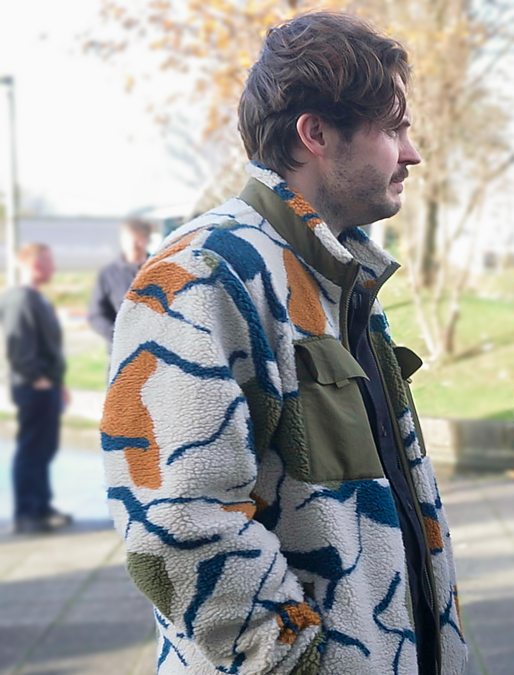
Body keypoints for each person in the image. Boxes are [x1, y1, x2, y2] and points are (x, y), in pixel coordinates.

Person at [100, 12, 465, 674]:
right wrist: (298, 662)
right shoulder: (203, 272)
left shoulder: (336, 278)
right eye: (393, 129)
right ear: (315, 133)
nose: (412, 153)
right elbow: (174, 525)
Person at [1, 243, 72, 534]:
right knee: (32, 449)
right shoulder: (21, 298)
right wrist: (37, 379)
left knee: (44, 448)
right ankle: (27, 513)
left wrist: (59, 384)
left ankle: (42, 507)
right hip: (34, 387)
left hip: (47, 385)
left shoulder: (37, 298)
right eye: (48, 262)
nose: (53, 268)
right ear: (33, 264)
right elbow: (18, 345)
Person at [87, 218, 152, 346]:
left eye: (139, 239)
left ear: (147, 240)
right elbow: (96, 315)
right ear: (122, 241)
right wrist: (118, 336)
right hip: (121, 351)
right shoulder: (108, 275)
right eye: (130, 240)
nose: (134, 245)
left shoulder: (161, 270)